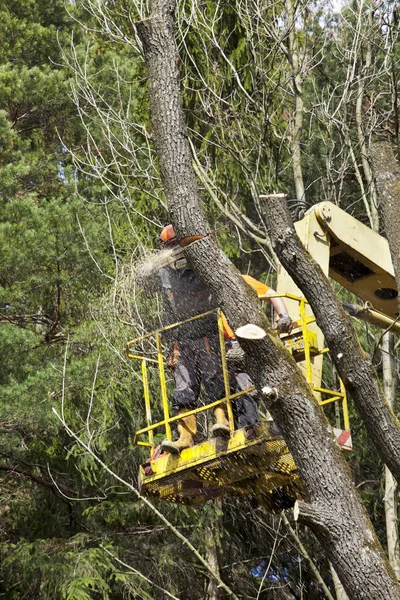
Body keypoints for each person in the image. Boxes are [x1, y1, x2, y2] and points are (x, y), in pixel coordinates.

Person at [137, 224, 293, 454]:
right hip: (181, 336)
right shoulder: (168, 276)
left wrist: (284, 315)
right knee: (183, 389)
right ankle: (185, 437)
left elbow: (267, 292)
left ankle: (226, 423)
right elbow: (153, 294)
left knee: (221, 382)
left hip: (215, 337)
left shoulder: (209, 271)